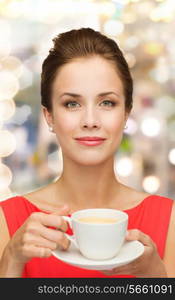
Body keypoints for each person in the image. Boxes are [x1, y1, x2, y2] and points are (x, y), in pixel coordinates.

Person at [0, 27, 175, 278]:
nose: (90, 120)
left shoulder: (169, 220)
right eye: (72, 103)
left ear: (126, 113)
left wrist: (157, 280)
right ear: (49, 116)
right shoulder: (8, 220)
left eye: (107, 103)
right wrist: (11, 261)